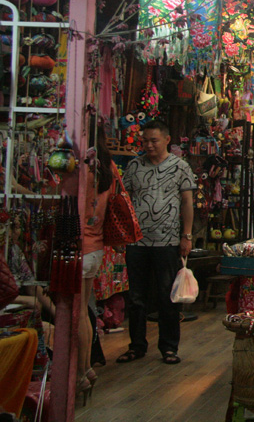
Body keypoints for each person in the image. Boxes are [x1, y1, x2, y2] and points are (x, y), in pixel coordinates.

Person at [116, 119, 196, 365]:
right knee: (137, 297)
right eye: (145, 141)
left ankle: (169, 347)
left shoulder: (180, 167)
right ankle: (137, 345)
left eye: (154, 140)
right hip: (137, 243)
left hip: (168, 241)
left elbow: (187, 203)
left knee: (167, 296)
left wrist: (187, 235)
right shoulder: (134, 166)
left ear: (166, 140)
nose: (149, 146)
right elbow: (124, 200)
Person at [76, 123, 116, 402]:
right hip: (96, 246)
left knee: (76, 313)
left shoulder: (83, 168)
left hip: (79, 247)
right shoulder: (107, 168)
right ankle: (86, 367)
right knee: (83, 311)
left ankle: (80, 371)